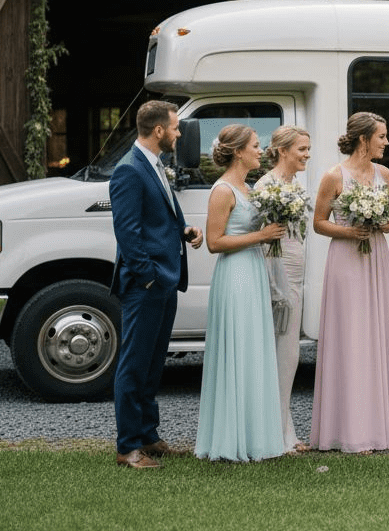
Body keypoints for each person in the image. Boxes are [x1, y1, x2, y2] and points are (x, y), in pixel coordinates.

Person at [108, 100, 203, 469]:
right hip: (146, 284)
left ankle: (148, 436)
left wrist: (184, 230)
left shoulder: (154, 165)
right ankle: (128, 446)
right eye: (176, 127)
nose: (179, 134)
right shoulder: (129, 170)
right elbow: (128, 233)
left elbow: (160, 215)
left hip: (165, 279)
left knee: (151, 364)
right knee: (133, 364)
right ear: (159, 130)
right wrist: (148, 277)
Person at [307, 112, 389, 452]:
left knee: (378, 334)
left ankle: (381, 427)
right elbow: (320, 223)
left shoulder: (385, 173)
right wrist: (351, 230)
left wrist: (380, 222)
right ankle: (348, 429)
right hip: (346, 261)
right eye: (382, 136)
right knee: (350, 337)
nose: (387, 142)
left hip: (376, 257)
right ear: (364, 139)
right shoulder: (333, 176)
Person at [194, 125, 288, 462]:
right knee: (237, 348)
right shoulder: (222, 190)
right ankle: (230, 438)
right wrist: (260, 236)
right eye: (255, 146)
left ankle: (254, 436)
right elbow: (215, 242)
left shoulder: (247, 188)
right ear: (238, 152)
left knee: (253, 349)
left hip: (253, 271)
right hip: (234, 276)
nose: (260, 151)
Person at [254, 124, 313, 454]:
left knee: (288, 354)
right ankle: (277, 434)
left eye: (307, 149)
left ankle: (284, 429)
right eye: (302, 149)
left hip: (296, 269)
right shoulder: (267, 185)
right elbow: (265, 233)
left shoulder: (294, 184)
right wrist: (275, 283)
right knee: (283, 352)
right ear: (283, 150)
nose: (306, 154)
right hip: (277, 271)